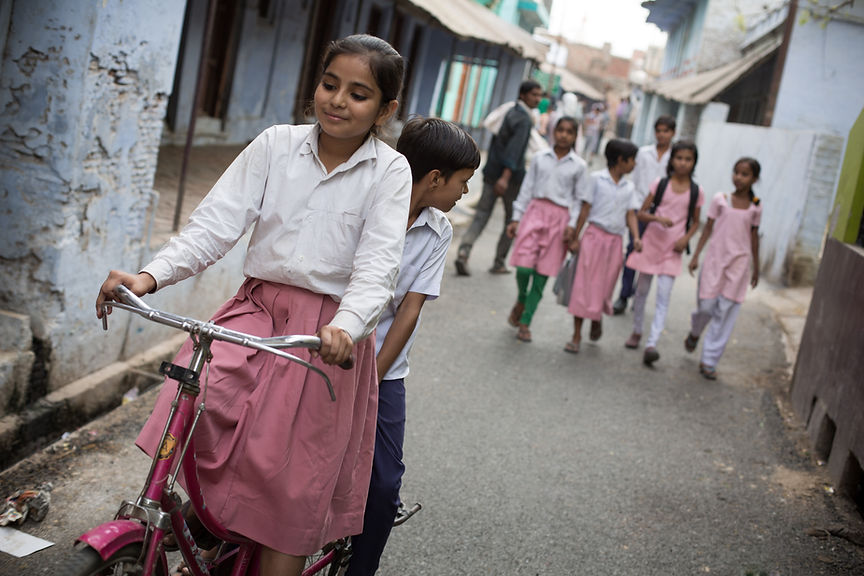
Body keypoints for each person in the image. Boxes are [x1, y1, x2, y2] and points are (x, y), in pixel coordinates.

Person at [95, 35, 410, 576]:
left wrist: (349, 325)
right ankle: (206, 519)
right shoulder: (275, 145)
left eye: (358, 94)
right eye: (329, 84)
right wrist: (149, 277)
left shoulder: (390, 171)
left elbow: (378, 267)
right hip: (256, 310)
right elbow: (214, 226)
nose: (337, 100)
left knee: (290, 480)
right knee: (192, 396)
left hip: (323, 337)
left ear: (385, 110)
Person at [346, 117, 480, 575]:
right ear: (436, 178)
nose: (464, 193)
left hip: (384, 371)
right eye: (462, 182)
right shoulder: (364, 204)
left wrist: (372, 379)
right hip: (326, 352)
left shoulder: (438, 231)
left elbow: (409, 311)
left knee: (383, 487)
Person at [504, 116, 590, 343]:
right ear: (553, 131)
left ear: (575, 136)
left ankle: (526, 321)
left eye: (569, 132)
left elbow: (579, 200)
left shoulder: (579, 166)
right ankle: (522, 299)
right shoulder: (540, 158)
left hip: (560, 220)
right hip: (534, 213)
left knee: (541, 275)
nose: (563, 135)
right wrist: (516, 218)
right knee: (523, 268)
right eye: (560, 130)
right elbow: (526, 188)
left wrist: (572, 227)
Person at [624, 140, 704, 367]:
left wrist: (685, 239)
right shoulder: (660, 184)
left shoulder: (697, 192)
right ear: (672, 160)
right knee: (641, 291)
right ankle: (637, 330)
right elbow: (641, 214)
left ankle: (652, 343)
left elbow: (696, 222)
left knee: (663, 297)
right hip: (651, 244)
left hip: (672, 251)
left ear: (694, 162)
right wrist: (657, 218)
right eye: (679, 158)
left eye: (688, 159)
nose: (683, 163)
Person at [455, 80, 544, 276]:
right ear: (523, 95)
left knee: (481, 215)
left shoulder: (509, 111)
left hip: (492, 172)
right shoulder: (524, 119)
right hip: (509, 178)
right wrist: (505, 177)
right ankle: (499, 261)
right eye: (534, 95)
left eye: (539, 95)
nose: (538, 99)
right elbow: (514, 152)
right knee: (511, 219)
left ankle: (463, 251)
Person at [685, 157, 762, 380]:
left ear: (754, 178)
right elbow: (707, 228)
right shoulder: (720, 199)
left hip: (739, 264)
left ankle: (709, 360)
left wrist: (756, 268)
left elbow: (754, 237)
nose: (738, 177)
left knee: (726, 312)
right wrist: (696, 255)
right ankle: (695, 332)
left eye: (744, 174)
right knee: (707, 307)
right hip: (715, 261)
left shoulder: (756, 206)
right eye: (736, 172)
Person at [564, 139, 642, 354]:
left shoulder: (629, 187)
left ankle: (595, 316)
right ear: (621, 160)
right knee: (584, 286)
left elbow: (631, 214)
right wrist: (575, 238)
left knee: (605, 286)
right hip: (593, 238)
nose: (634, 164)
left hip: (615, 243)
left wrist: (635, 237)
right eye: (632, 160)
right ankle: (577, 334)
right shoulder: (597, 179)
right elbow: (585, 210)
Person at [613, 114, 676, 314]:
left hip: (661, 214)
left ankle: (639, 296)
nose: (661, 135)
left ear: (672, 133)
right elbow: (636, 181)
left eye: (666, 131)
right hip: (640, 209)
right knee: (633, 250)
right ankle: (624, 294)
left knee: (651, 256)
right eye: (658, 131)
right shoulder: (643, 153)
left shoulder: (676, 158)